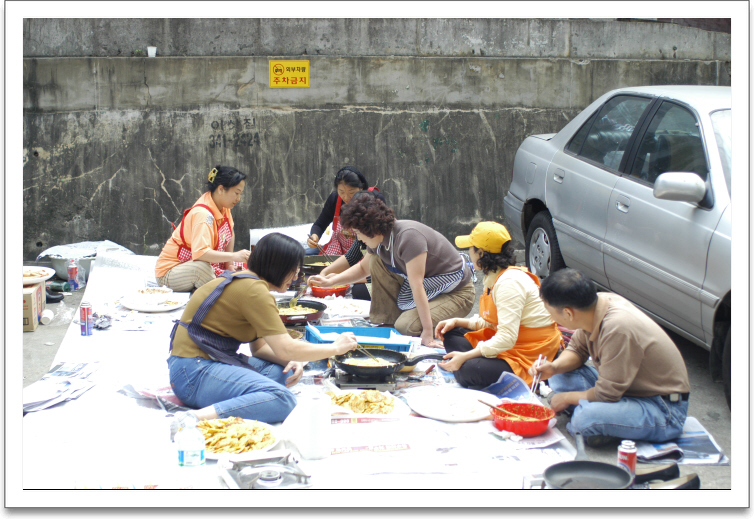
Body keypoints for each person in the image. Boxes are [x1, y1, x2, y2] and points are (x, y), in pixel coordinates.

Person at [168, 232, 358, 435]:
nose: (296, 277)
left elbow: (259, 349)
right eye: (293, 270)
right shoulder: (254, 290)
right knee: (283, 399)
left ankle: (247, 400)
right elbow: (286, 348)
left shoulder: (246, 282)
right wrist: (335, 348)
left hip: (199, 365)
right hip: (192, 372)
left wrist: (290, 360)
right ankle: (193, 418)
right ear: (278, 267)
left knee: (282, 372)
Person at [529, 268, 690, 445]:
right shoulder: (595, 305)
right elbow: (577, 349)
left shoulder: (617, 327)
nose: (549, 316)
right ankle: (605, 416)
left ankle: (597, 419)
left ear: (568, 313)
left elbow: (606, 394)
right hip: (625, 391)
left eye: (549, 310)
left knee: (584, 421)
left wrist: (566, 398)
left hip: (663, 408)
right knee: (559, 376)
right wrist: (553, 368)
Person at [309, 192, 475, 347]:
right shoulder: (380, 240)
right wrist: (330, 281)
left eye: (359, 233)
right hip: (428, 289)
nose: (358, 238)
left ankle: (441, 328)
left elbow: (417, 286)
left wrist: (427, 331)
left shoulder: (408, 238)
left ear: (370, 229)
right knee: (374, 261)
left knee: (406, 326)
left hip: (456, 293)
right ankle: (388, 322)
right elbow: (362, 268)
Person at [434, 222, 562, 389]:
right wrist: (458, 321)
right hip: (511, 344)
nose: (468, 253)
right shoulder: (495, 276)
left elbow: (507, 337)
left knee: (468, 370)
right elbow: (492, 322)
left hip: (530, 354)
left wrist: (465, 357)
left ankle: (531, 377)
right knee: (451, 331)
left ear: (481, 253)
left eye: (470, 249)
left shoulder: (509, 283)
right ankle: (470, 360)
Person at [155, 166, 251, 292]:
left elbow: (229, 232)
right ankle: (223, 297)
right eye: (236, 193)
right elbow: (200, 254)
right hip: (171, 273)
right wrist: (234, 256)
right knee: (201, 269)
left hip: (200, 264)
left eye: (240, 194)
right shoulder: (203, 214)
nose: (238, 199)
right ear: (221, 189)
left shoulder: (224, 207)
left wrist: (229, 265)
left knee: (247, 268)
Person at [314, 189, 388, 301]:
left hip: (397, 287)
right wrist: (324, 273)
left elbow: (379, 274)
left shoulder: (384, 239)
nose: (358, 237)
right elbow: (351, 257)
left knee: (359, 290)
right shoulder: (366, 234)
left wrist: (335, 279)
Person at [306, 166, 377, 256]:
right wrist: (314, 237)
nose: (346, 198)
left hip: (364, 250)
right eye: (341, 192)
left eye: (351, 193)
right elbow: (320, 224)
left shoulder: (372, 199)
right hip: (338, 248)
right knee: (302, 254)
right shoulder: (335, 199)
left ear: (361, 188)